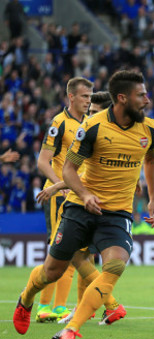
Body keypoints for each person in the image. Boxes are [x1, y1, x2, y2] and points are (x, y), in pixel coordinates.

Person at [13, 70, 154, 339]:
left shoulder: (150, 129)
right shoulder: (92, 127)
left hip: (117, 212)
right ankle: (27, 297)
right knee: (52, 271)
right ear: (122, 98)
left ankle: (72, 328)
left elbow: (151, 159)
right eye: (141, 95)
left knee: (115, 265)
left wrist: (153, 198)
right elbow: (68, 168)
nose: (147, 100)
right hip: (80, 207)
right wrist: (84, 193)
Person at [38, 90, 128, 326]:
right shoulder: (86, 129)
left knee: (72, 255)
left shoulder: (97, 132)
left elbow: (81, 174)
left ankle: (109, 304)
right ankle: (86, 308)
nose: (90, 113)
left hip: (85, 200)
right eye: (89, 110)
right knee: (84, 255)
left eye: (95, 111)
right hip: (87, 197)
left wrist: (55, 187)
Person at [34, 77, 93, 322]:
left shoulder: (90, 124)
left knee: (74, 252)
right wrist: (63, 185)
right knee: (58, 252)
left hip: (79, 196)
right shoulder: (59, 123)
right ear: (71, 97)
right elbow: (42, 161)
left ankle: (59, 307)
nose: (88, 101)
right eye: (84, 97)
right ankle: (43, 306)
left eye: (90, 97)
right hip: (60, 196)